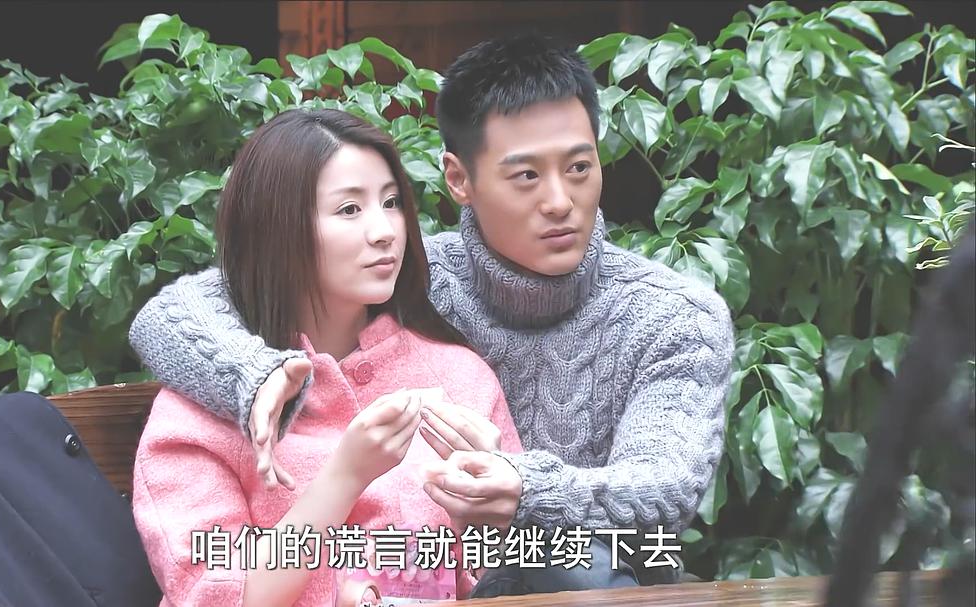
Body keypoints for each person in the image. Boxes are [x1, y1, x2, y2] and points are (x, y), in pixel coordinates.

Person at [130, 32, 735, 593]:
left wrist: (519, 489)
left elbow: (663, 488)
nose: (560, 201)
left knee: (580, 573)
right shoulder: (420, 280)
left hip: (596, 583)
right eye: (527, 174)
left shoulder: (670, 317)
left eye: (579, 167)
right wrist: (250, 376)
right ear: (458, 179)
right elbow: (189, 308)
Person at [130, 108, 523, 606]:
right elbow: (211, 595)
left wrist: (487, 515)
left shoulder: (459, 377)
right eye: (349, 209)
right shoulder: (198, 414)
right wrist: (344, 478)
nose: (384, 231)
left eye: (391, 202)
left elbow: (519, 578)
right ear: (276, 229)